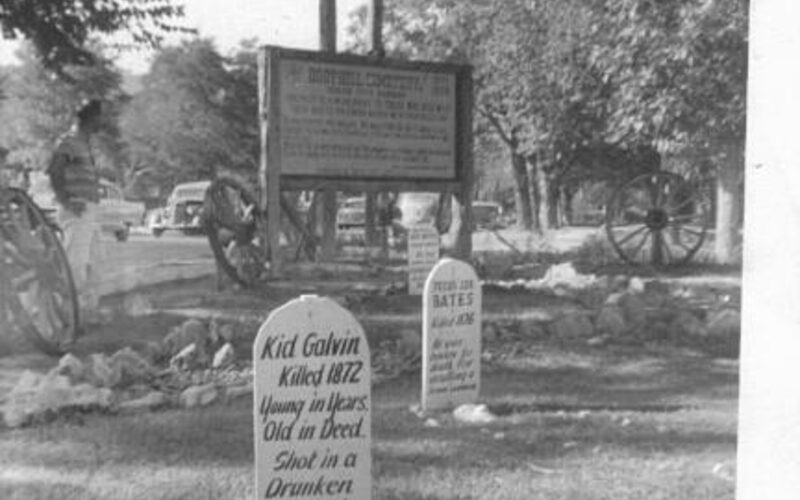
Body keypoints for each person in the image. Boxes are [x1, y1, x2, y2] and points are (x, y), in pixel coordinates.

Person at [46, 99, 105, 327]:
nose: (102, 121)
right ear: (89, 118)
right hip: (76, 209)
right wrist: (67, 201)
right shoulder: (68, 142)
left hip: (90, 209)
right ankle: (68, 318)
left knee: (97, 262)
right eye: (99, 117)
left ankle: (87, 314)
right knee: (75, 265)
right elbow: (54, 172)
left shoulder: (85, 144)